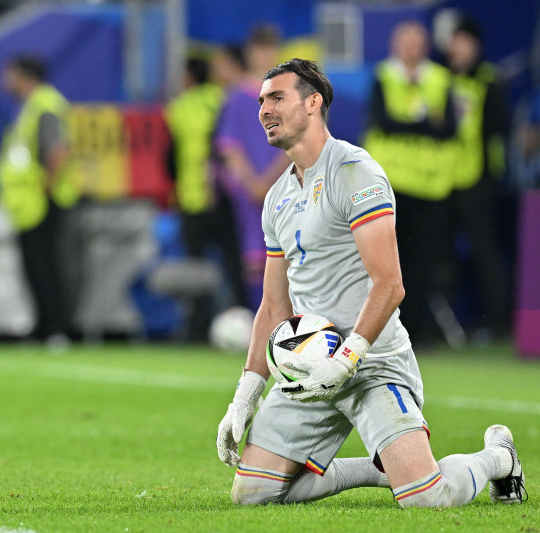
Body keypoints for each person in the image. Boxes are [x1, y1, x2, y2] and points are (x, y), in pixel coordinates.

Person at [216, 58, 526, 508]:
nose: (264, 109)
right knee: (254, 495)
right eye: (262, 100)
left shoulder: (355, 172)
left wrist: (345, 361)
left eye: (277, 97)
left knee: (426, 498)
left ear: (313, 103)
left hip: (372, 362)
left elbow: (389, 284)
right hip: (307, 366)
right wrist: (244, 396)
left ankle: (498, 457)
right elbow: (272, 307)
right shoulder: (277, 198)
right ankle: (381, 470)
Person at [363, 20, 458, 346]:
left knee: (424, 263)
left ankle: (416, 331)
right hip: (389, 185)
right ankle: (380, 330)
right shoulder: (384, 76)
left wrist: (407, 124)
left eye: (417, 42)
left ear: (426, 46)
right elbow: (383, 122)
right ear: (394, 45)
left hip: (430, 186)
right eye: (405, 41)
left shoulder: (440, 79)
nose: (411, 48)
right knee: (385, 262)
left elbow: (450, 130)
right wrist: (425, 123)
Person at [0, 56, 79, 345]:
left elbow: (58, 150)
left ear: (23, 75)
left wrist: (46, 185)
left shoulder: (45, 105)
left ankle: (57, 328)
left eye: (9, 74)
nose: (4, 81)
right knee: (35, 266)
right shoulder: (30, 107)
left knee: (48, 266)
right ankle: (43, 326)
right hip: (28, 202)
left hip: (45, 199)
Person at [164, 57, 245, 341]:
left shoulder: (178, 108)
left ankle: (198, 328)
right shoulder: (221, 99)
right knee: (234, 264)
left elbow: (171, 156)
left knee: (195, 268)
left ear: (188, 76)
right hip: (222, 195)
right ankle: (245, 319)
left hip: (191, 198)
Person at [445, 18, 511, 339]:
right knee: (439, 254)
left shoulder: (489, 80)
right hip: (442, 180)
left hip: (480, 180)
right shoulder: (440, 79)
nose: (457, 47)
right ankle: (444, 328)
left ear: (475, 46)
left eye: (463, 41)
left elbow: (498, 126)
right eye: (454, 41)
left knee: (485, 254)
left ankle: (499, 325)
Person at [213, 42, 290, 309]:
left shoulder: (291, 97)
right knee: (254, 258)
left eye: (270, 50)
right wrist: (253, 183)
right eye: (260, 50)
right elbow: (229, 145)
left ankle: (288, 326)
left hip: (285, 187)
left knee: (289, 256)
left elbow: (297, 143)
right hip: (249, 193)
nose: (265, 56)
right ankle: (261, 322)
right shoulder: (236, 97)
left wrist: (268, 181)